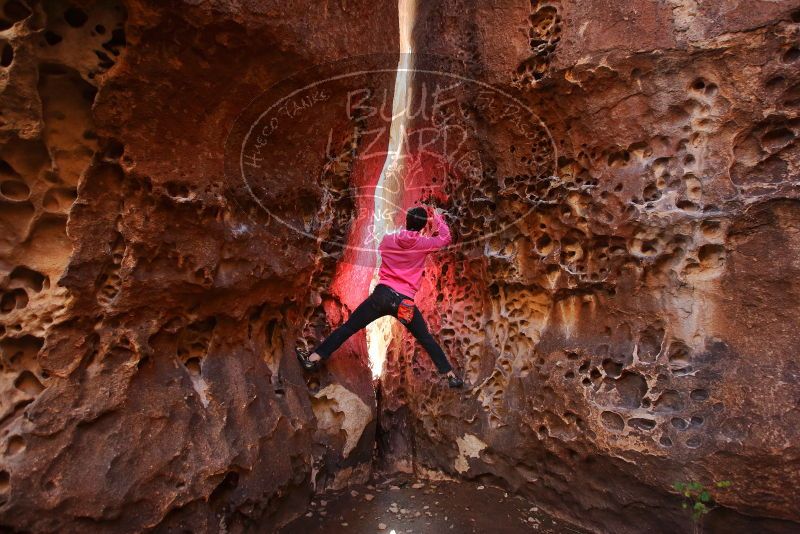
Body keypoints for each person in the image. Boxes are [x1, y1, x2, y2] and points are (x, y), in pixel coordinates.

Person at [297, 206, 464, 388]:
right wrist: (438, 218)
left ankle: (312, 359)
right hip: (404, 303)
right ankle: (450, 376)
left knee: (348, 328)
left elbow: (384, 251)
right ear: (423, 227)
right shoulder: (423, 244)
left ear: (406, 221)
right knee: (425, 339)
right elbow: (445, 238)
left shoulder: (388, 240)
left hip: (382, 296)